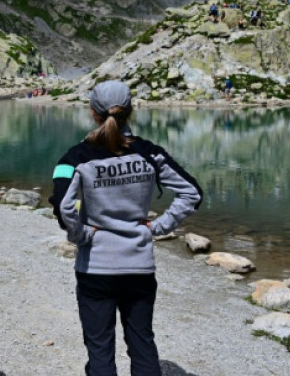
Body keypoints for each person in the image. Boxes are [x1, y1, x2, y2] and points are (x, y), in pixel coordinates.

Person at [48, 81, 203, 376]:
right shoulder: (149, 153)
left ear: (93, 113)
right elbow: (191, 193)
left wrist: (80, 235)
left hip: (96, 268)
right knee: (142, 343)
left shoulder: (75, 158)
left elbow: (61, 203)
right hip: (139, 266)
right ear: (130, 111)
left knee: (100, 350)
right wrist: (157, 227)